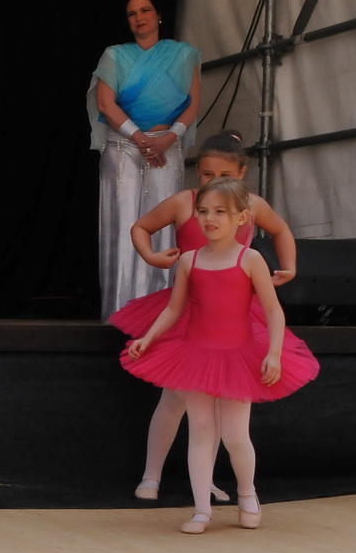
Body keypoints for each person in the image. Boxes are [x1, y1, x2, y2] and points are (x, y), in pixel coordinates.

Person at [119, 177, 318, 534]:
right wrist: (148, 337)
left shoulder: (251, 259)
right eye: (203, 212)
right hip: (196, 355)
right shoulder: (189, 261)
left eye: (220, 212)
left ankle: (247, 493)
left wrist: (274, 353)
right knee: (200, 430)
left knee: (235, 435)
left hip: (237, 357)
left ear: (242, 218)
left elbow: (273, 312)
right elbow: (174, 309)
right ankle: (201, 510)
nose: (209, 219)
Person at [87, 0, 200, 318]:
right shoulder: (115, 55)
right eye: (132, 13)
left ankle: (160, 316)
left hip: (167, 145)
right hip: (124, 146)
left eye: (145, 10)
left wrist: (168, 138)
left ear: (158, 15)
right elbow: (106, 104)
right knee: (125, 226)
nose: (139, 17)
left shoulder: (184, 55)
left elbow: (192, 104)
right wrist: (140, 138)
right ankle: (121, 315)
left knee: (165, 227)